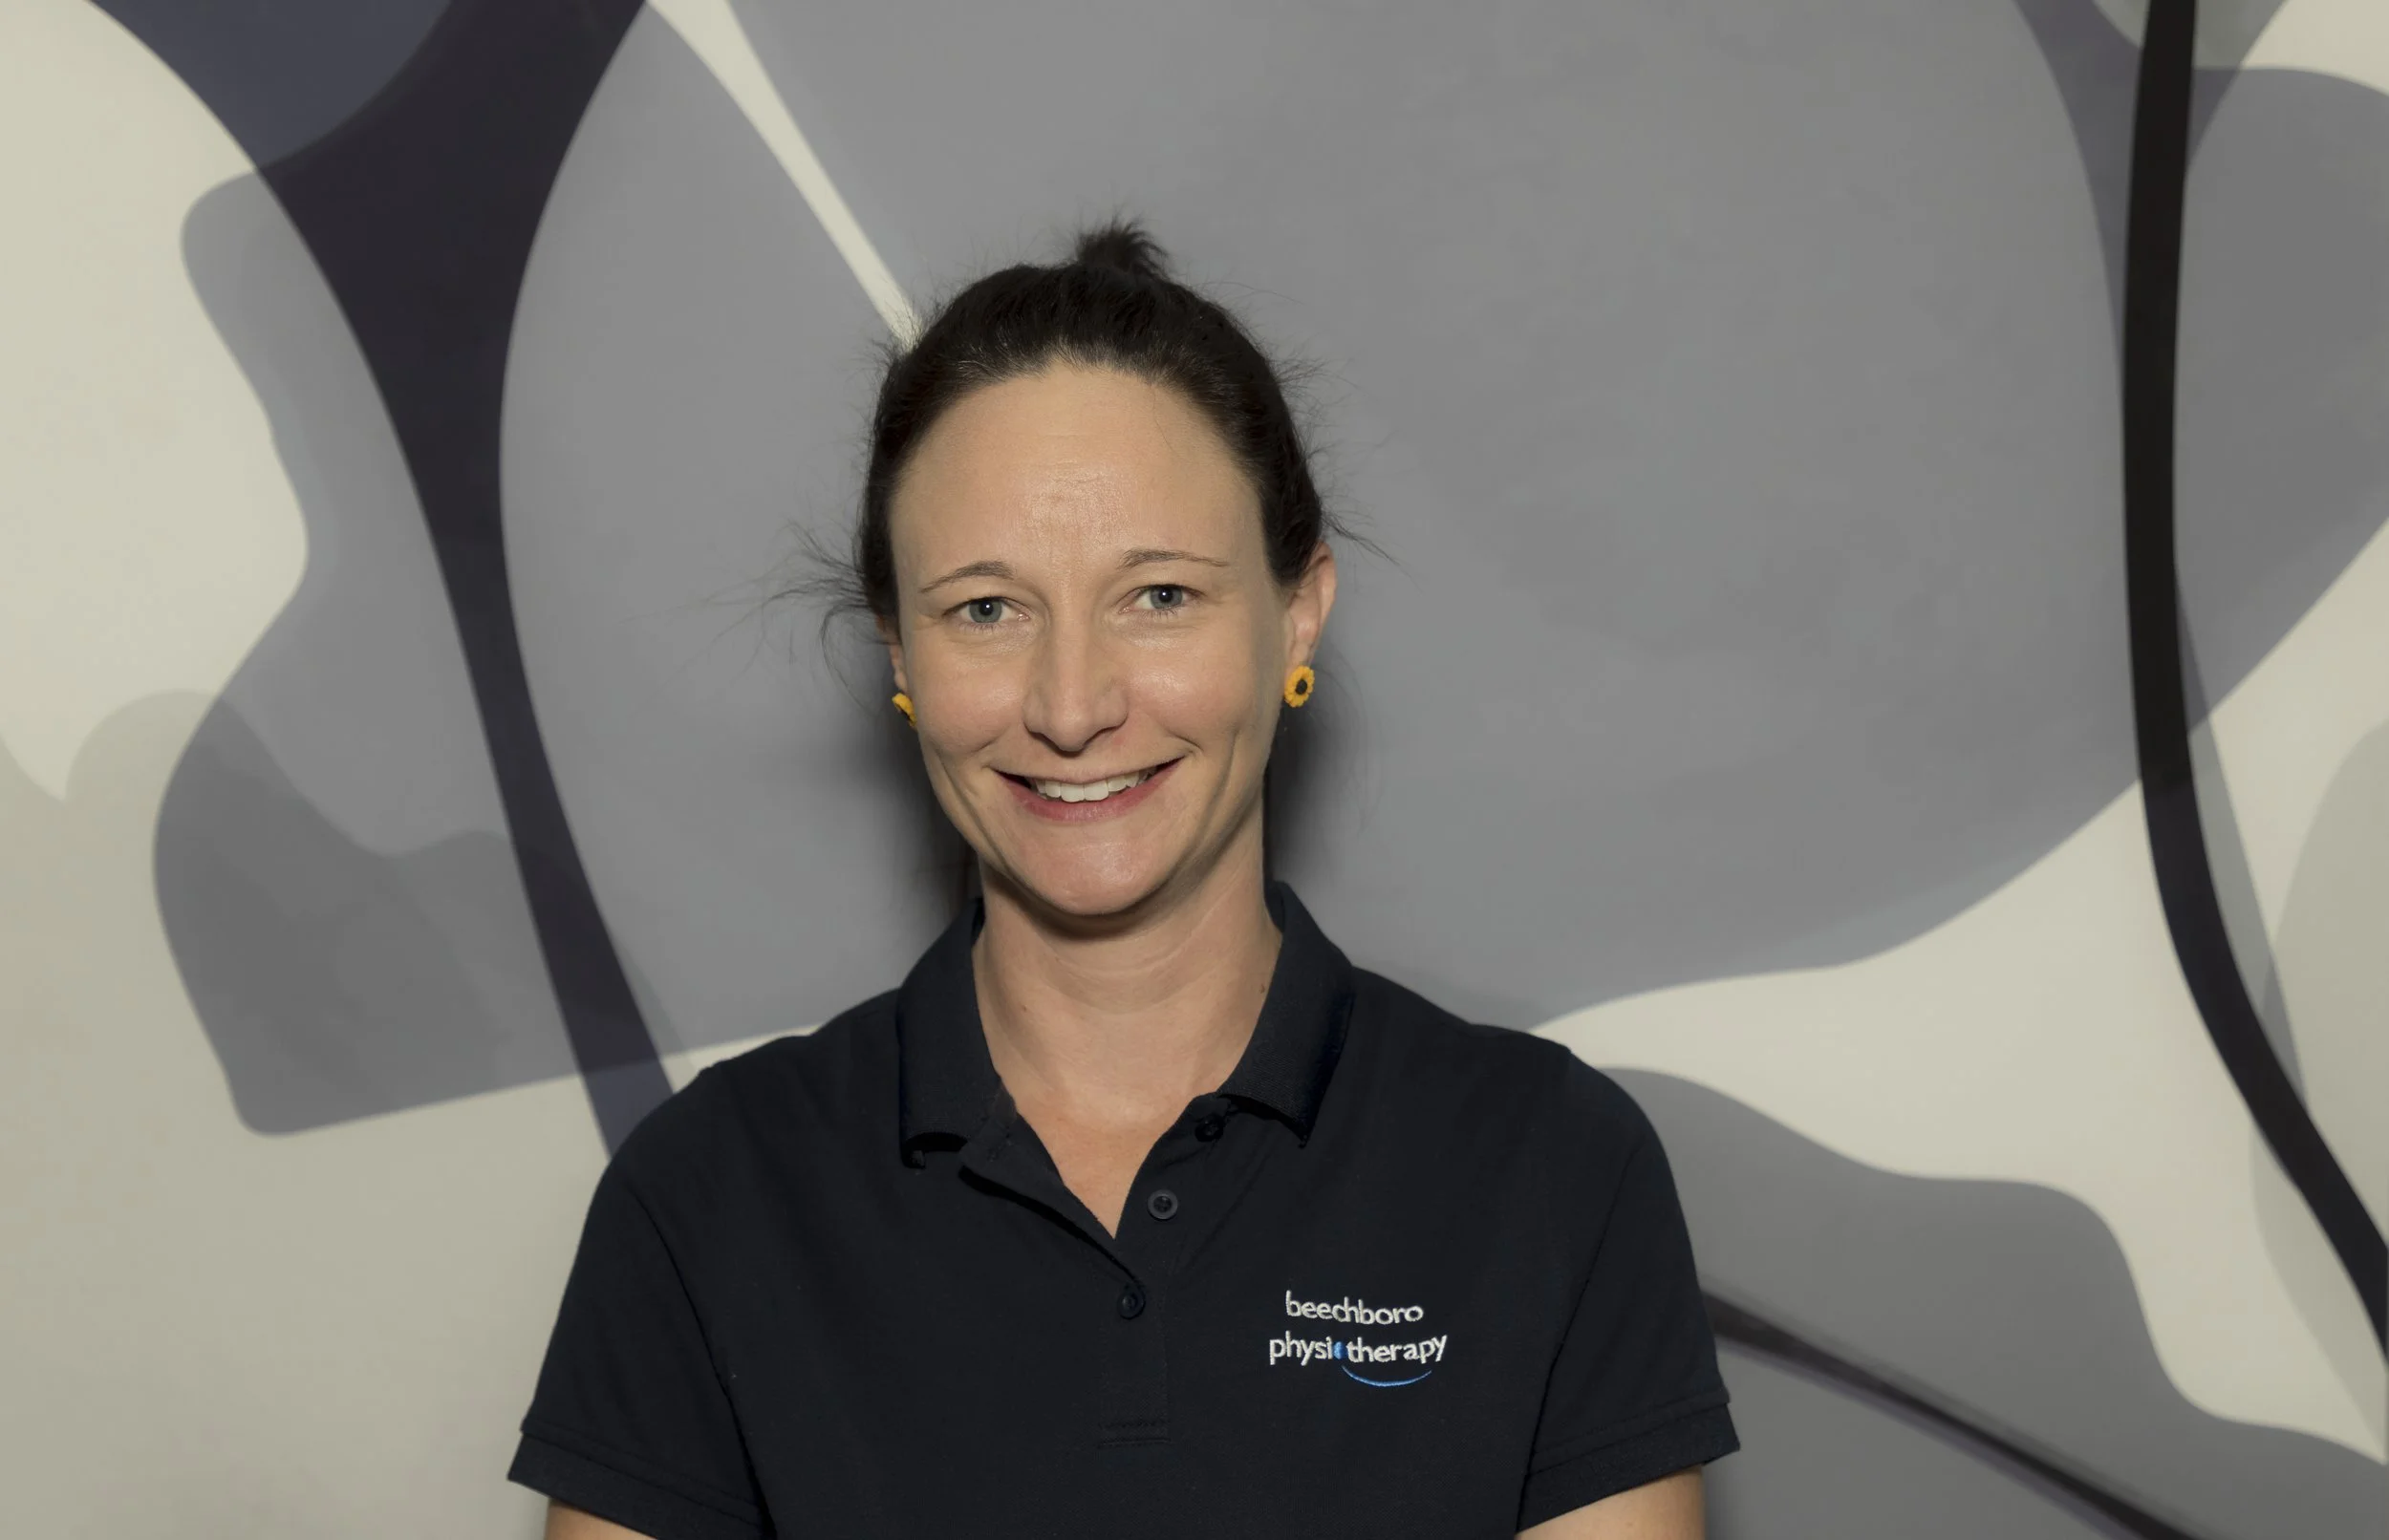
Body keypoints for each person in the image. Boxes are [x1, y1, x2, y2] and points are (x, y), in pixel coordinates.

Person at [509, 222, 1737, 1539]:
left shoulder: (1549, 1171)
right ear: (901, 652)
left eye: (1158, 596)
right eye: (987, 609)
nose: (1073, 705)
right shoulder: (711, 1196)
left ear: (1298, 614)